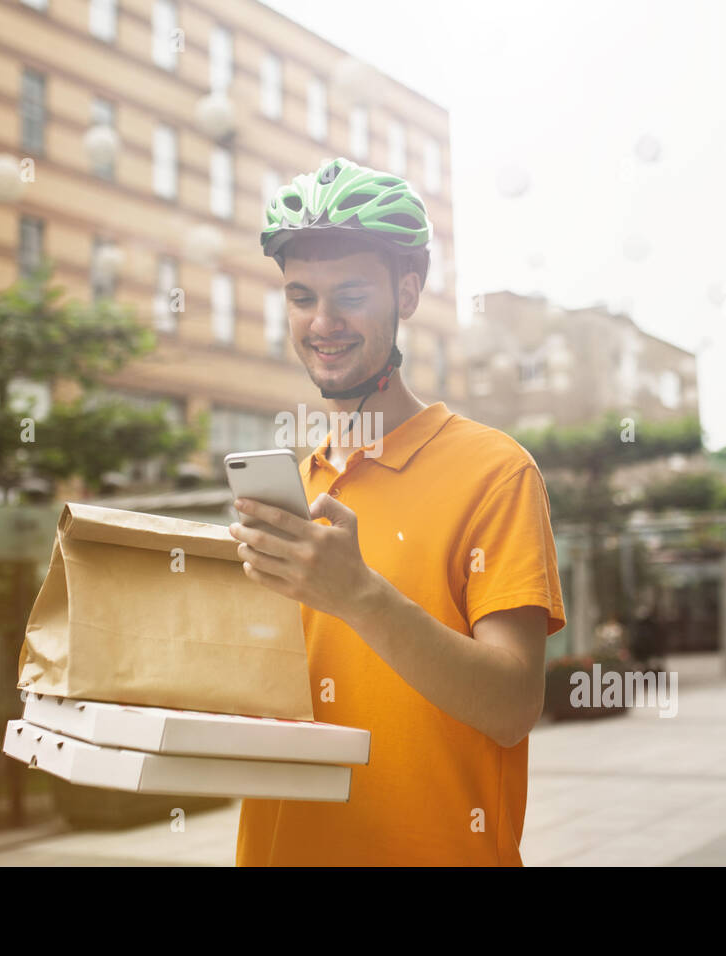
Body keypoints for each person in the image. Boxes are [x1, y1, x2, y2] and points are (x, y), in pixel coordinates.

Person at [227, 158, 567, 865]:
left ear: (406, 294)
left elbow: (511, 708)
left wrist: (359, 596)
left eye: (350, 293)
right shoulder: (295, 485)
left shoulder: (495, 472)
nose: (323, 323)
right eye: (301, 296)